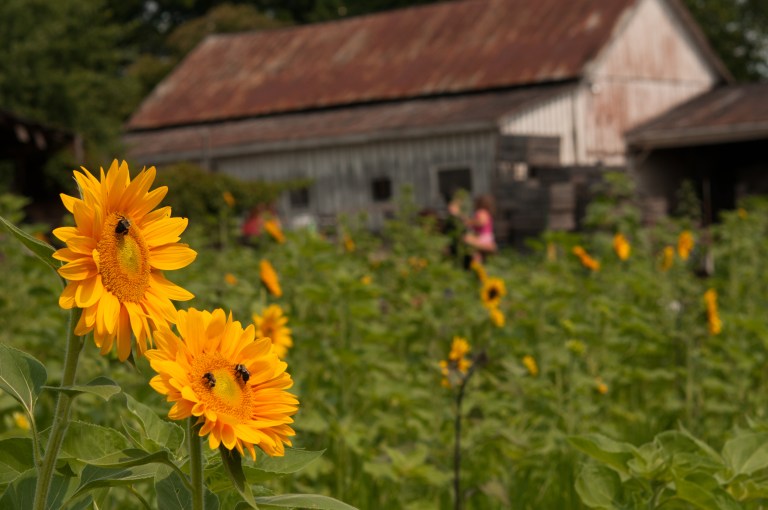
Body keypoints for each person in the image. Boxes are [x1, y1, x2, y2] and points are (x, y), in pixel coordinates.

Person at [463, 194, 497, 263]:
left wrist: (470, 222)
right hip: (487, 237)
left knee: (466, 239)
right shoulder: (486, 212)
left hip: (482, 237)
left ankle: (476, 263)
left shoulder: (481, 212)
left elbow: (481, 222)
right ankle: (478, 262)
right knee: (475, 251)